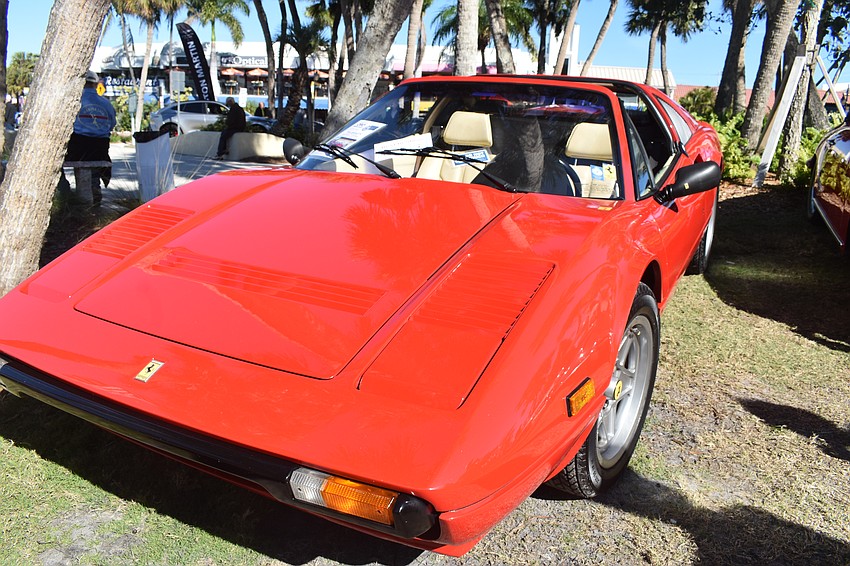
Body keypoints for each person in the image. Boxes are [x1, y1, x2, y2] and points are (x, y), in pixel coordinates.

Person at [59, 70, 117, 205]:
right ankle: (94, 189)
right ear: (96, 84)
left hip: (77, 147)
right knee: (94, 165)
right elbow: (112, 124)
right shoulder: (106, 103)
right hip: (100, 149)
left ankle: (65, 192)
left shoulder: (73, 101)